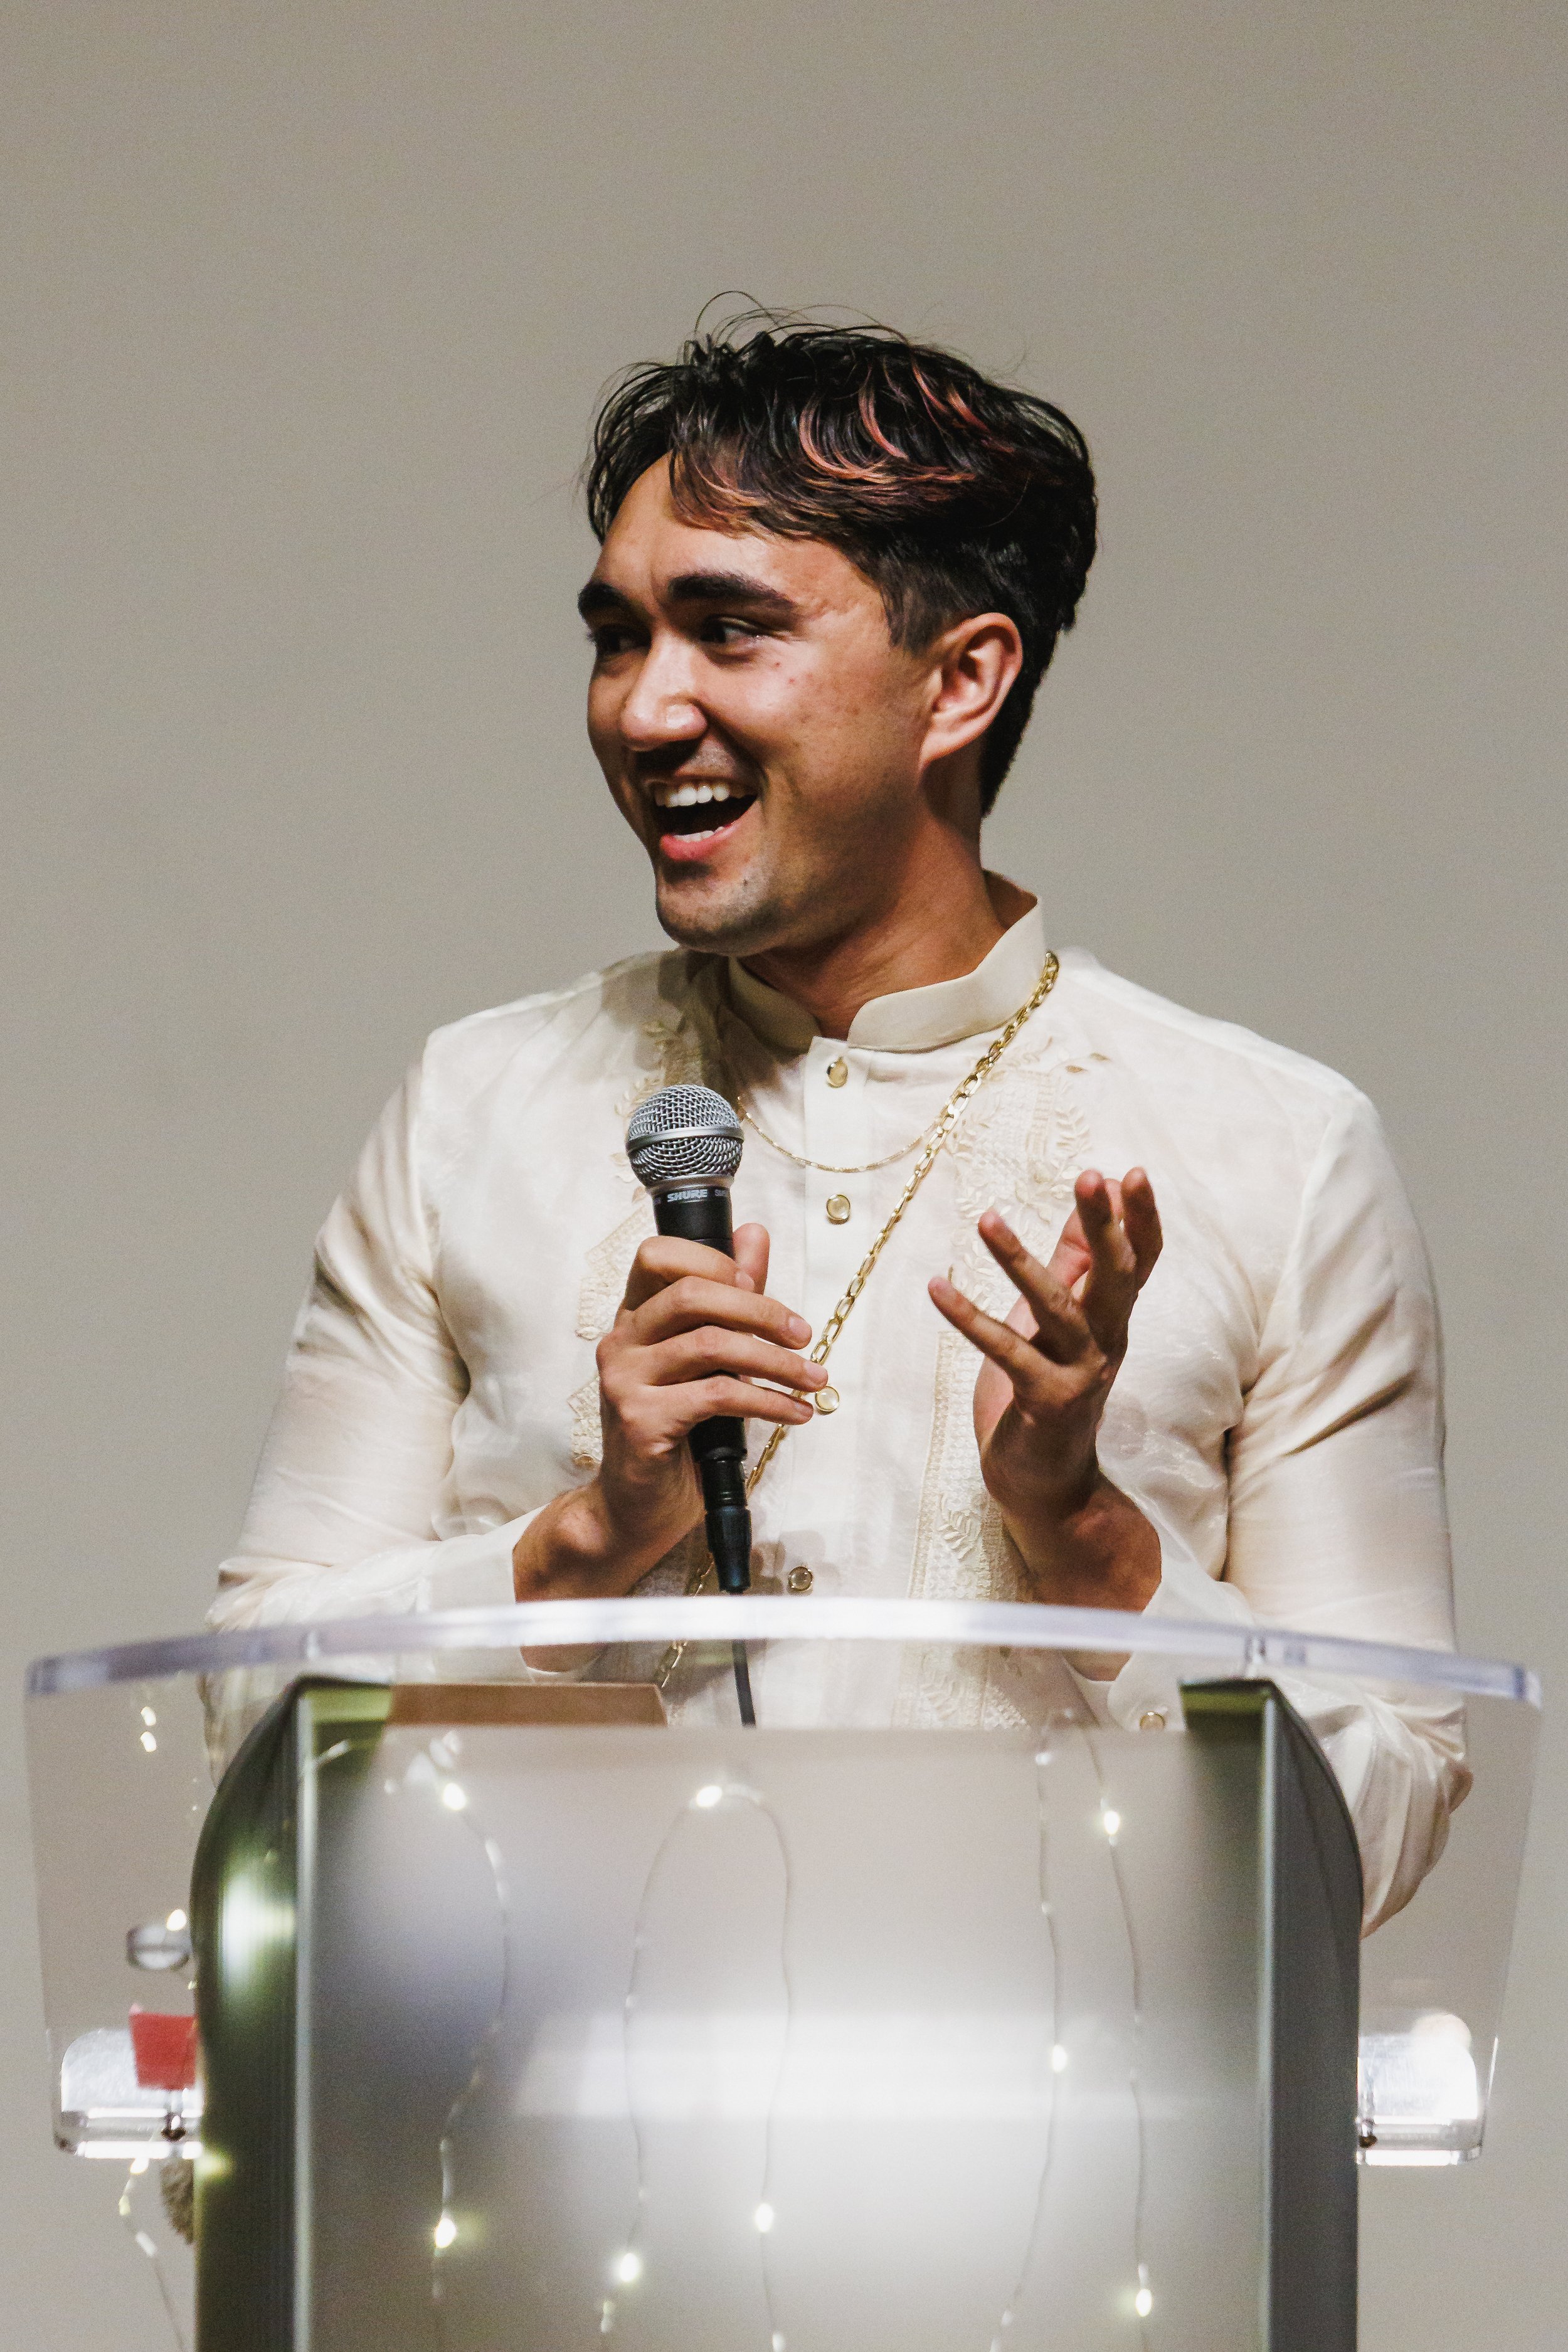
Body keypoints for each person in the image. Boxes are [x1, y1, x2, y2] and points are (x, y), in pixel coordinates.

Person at [210, 314, 1465, 1925]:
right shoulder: (477, 1110)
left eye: (727, 633)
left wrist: (1086, 1544)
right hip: (533, 2145)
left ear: (961, 681)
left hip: (1069, 2160)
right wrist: (586, 1542)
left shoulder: (1272, 1155)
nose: (644, 711)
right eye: (617, 637)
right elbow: (237, 1714)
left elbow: (1389, 1814)